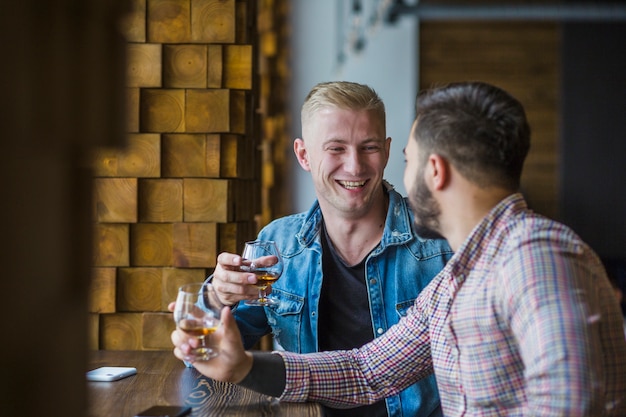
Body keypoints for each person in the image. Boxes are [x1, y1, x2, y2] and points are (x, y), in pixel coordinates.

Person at [172, 81, 626, 416]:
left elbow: (569, 404)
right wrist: (243, 366)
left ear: (434, 171)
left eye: (403, 158)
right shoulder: (462, 276)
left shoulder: (534, 258)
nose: (381, 172)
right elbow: (367, 371)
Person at [201, 81, 452, 417]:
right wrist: (217, 297)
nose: (355, 166)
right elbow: (208, 351)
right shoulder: (280, 244)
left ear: (388, 151)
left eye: (369, 147)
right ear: (304, 155)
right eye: (336, 148)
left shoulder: (440, 242)